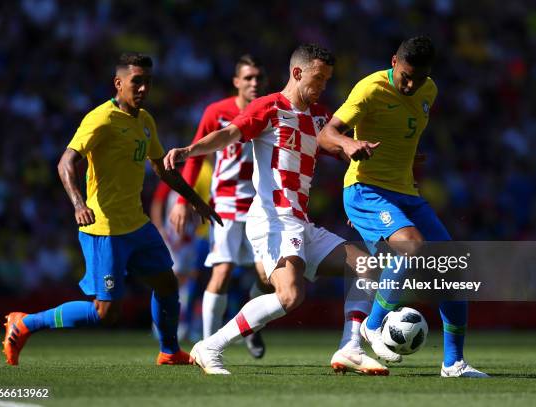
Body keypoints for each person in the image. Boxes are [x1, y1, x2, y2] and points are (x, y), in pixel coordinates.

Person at [164, 44, 386, 375]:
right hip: (273, 219)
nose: (323, 87)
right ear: (297, 73)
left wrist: (369, 153)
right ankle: (210, 346)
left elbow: (339, 147)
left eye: (327, 80)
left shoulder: (319, 117)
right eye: (318, 79)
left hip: (299, 222)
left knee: (365, 264)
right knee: (290, 296)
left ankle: (350, 347)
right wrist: (190, 151)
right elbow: (228, 134)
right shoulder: (268, 107)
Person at [2, 52, 222, 366]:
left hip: (137, 224)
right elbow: (65, 163)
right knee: (106, 313)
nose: (144, 88)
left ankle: (169, 351)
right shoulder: (100, 119)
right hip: (104, 229)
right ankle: (24, 324)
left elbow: (162, 170)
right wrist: (79, 204)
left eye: (148, 82)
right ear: (118, 84)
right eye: (137, 82)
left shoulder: (146, 121)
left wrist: (197, 201)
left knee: (167, 283)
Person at [318, 36, 489, 378]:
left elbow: (404, 134)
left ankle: (453, 363)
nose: (411, 85)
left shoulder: (430, 91)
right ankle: (373, 325)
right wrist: (350, 143)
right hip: (365, 190)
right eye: (406, 76)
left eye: (419, 78)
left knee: (451, 269)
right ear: (394, 61)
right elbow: (327, 133)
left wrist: (408, 157)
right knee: (412, 248)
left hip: (405, 192)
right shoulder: (370, 88)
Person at [168, 55, 272, 358]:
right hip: (225, 203)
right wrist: (182, 199)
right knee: (223, 270)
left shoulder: (272, 110)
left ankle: (251, 328)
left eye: (259, 78)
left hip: (261, 206)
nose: (254, 83)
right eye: (248, 78)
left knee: (268, 279)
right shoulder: (217, 112)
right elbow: (195, 156)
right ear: (236, 82)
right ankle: (208, 345)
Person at [150, 158, 213, 341]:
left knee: (191, 278)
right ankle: (163, 323)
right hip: (172, 236)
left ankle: (185, 323)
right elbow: (158, 203)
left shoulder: (196, 177)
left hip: (190, 236)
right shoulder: (171, 178)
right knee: (173, 278)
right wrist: (160, 228)